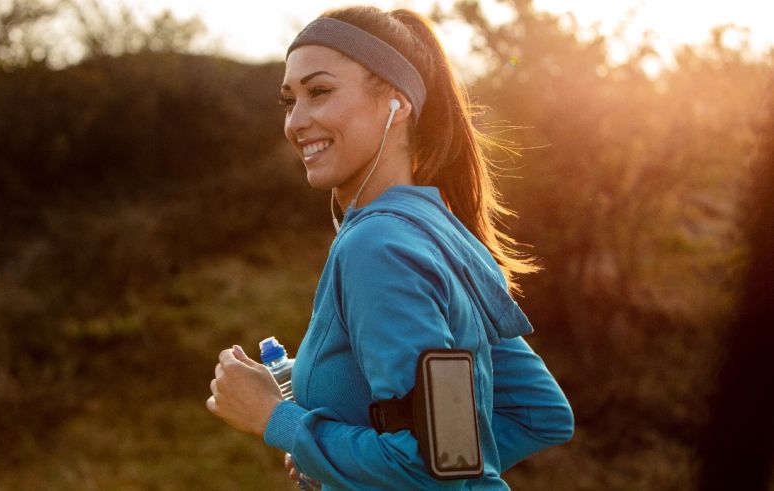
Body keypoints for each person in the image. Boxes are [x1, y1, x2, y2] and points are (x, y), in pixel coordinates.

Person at [206, 6, 574, 490]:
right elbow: (536, 414)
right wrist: (342, 462)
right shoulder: (440, 229)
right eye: (288, 101)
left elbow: (431, 466)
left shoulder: (376, 247)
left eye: (319, 92)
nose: (296, 122)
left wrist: (278, 420)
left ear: (397, 105)